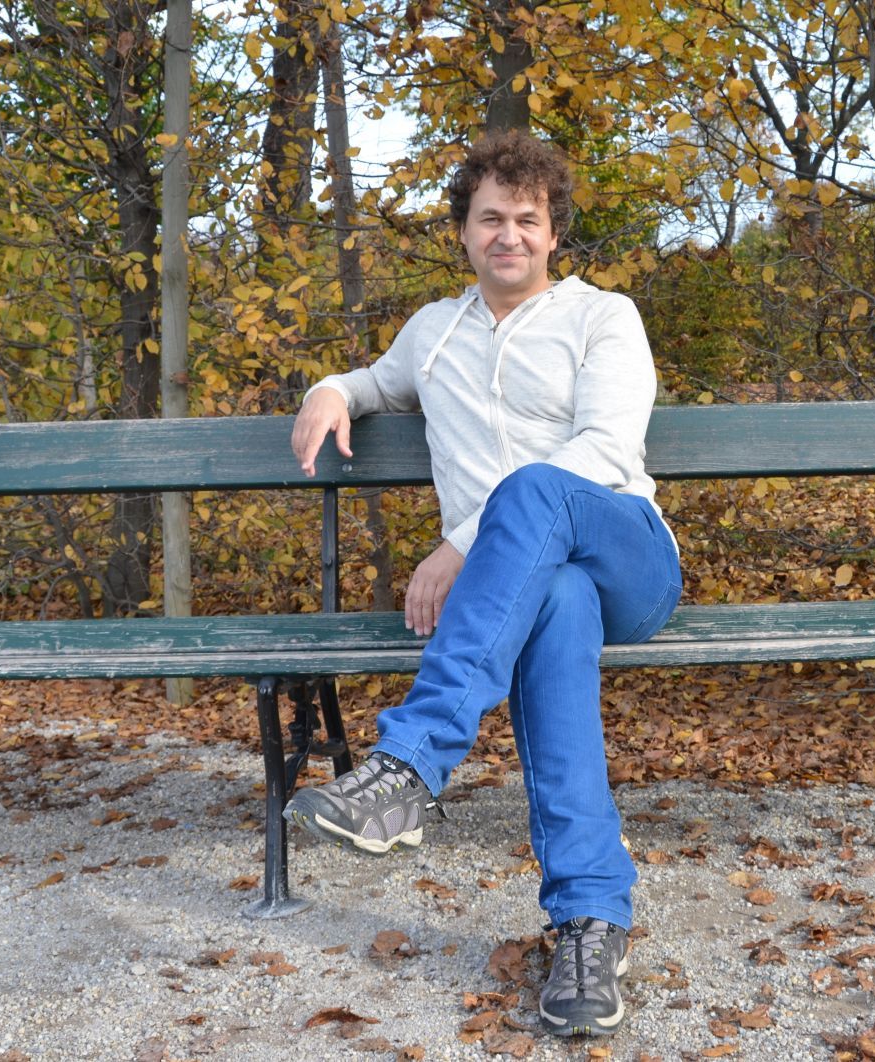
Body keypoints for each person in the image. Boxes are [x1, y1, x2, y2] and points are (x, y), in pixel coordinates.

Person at [284, 129, 681, 1038]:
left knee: (537, 492)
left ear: (553, 233)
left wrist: (463, 543)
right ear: (464, 231)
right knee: (556, 603)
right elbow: (374, 383)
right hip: (545, 589)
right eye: (491, 218)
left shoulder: (603, 317)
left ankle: (410, 763)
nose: (510, 235)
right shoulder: (434, 331)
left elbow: (603, 452)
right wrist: (329, 391)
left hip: (628, 555)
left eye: (528, 220)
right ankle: (590, 921)